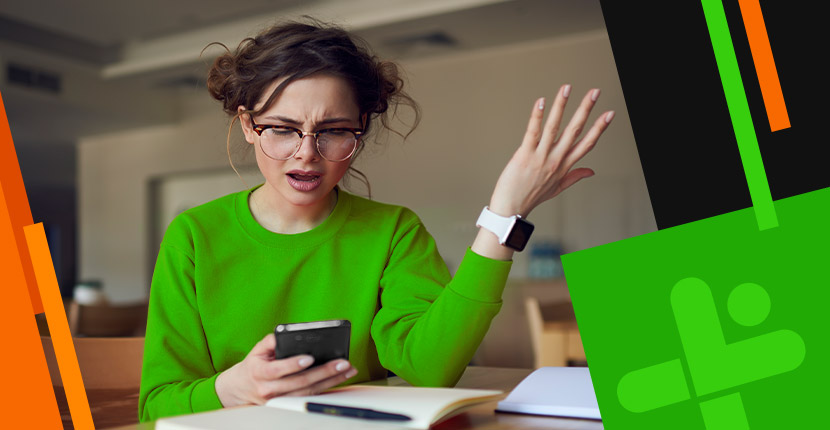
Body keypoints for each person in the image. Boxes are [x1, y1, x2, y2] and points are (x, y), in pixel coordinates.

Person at [138, 19, 614, 422]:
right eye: (282, 130)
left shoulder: (393, 231)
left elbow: (430, 369)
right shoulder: (194, 236)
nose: (307, 154)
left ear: (361, 127)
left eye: (334, 131)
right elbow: (157, 405)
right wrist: (232, 387)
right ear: (247, 123)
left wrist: (504, 216)